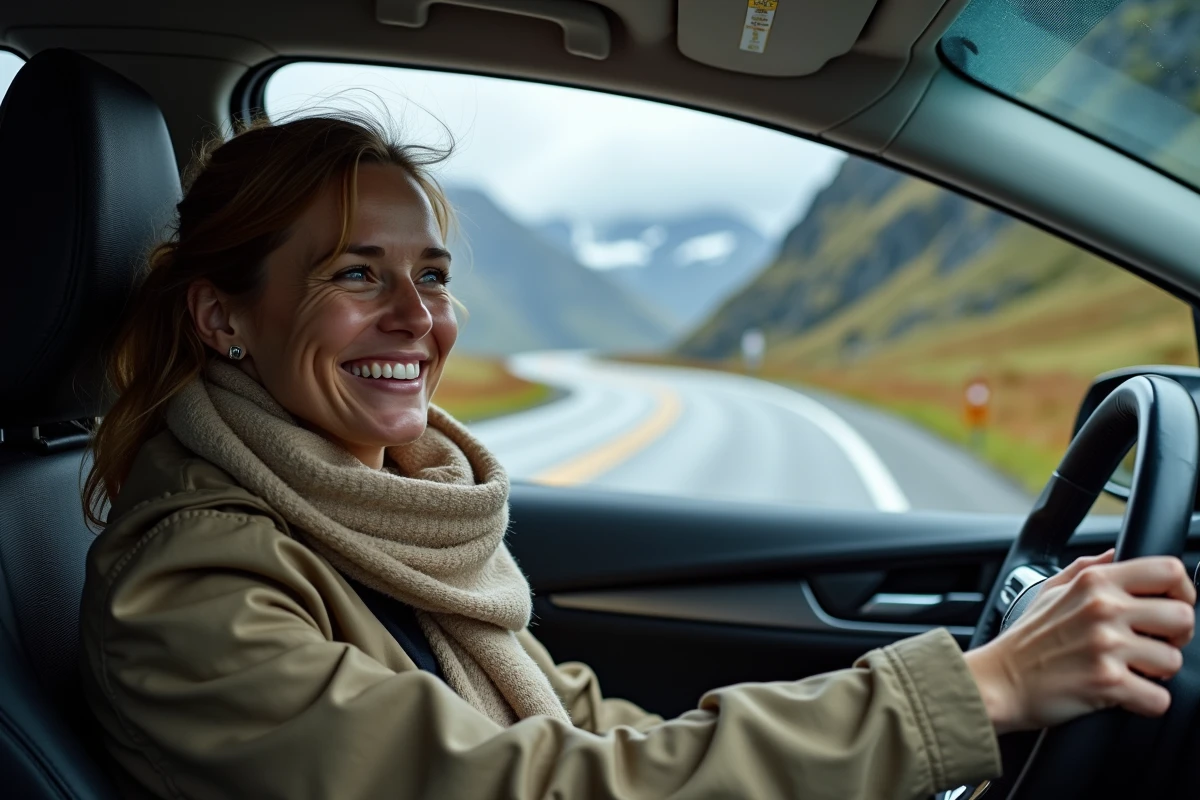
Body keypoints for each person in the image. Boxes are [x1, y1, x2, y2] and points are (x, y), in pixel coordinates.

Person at [80, 114, 1196, 800]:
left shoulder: (371, 514)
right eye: (356, 273)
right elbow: (532, 785)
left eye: (433, 273)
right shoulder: (196, 589)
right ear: (225, 317)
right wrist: (980, 688)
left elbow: (582, 730)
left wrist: (940, 703)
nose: (419, 318)